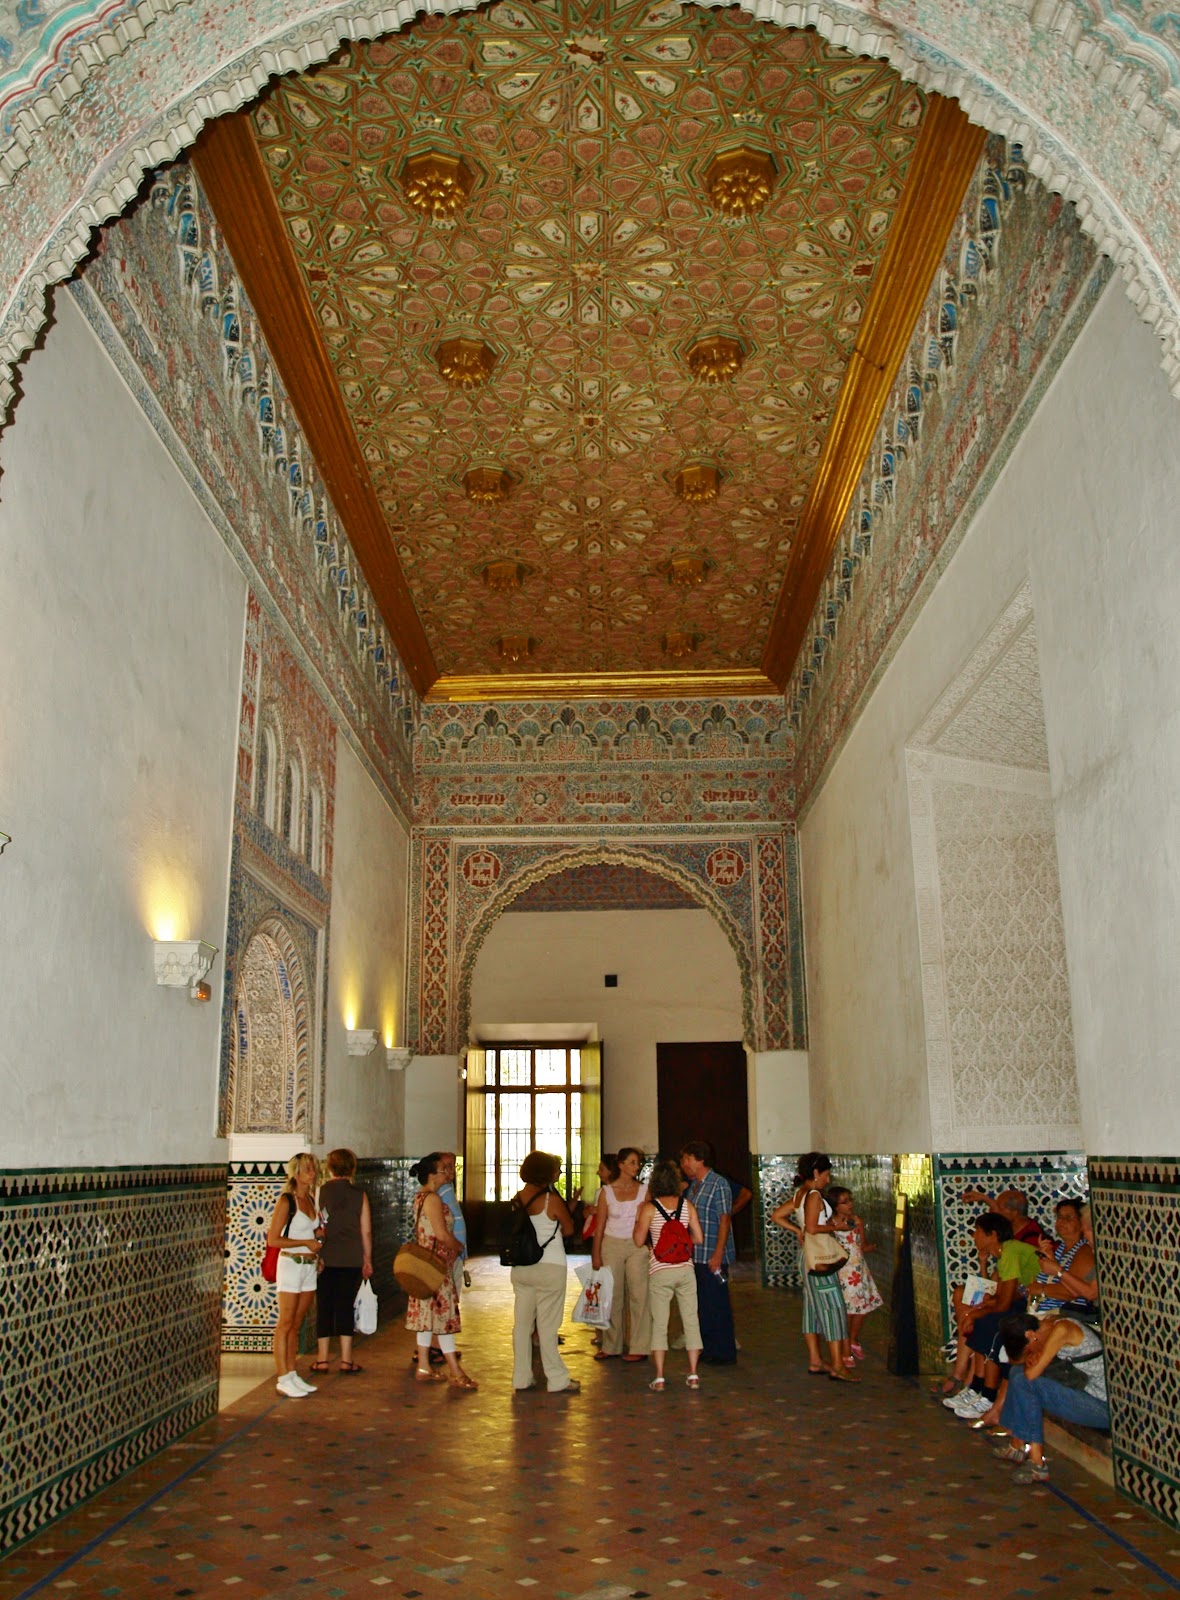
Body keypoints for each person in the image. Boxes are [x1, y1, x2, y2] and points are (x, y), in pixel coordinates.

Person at [943, 1212, 1040, 1418]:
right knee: (981, 1321)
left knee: (990, 1326)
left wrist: (977, 1314)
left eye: (978, 1231)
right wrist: (981, 1309)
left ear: (992, 1235)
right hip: (1023, 1302)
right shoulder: (1004, 1254)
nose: (973, 1236)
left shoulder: (1010, 1252)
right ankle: (976, 1388)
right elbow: (1003, 1294)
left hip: (1038, 1306)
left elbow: (1005, 1304)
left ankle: (987, 1396)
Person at [994, 1312, 1108, 1484]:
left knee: (1026, 1381)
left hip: (1103, 1407)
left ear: (1031, 1335)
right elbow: (1018, 1362)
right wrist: (1032, 1355)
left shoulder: (1062, 1329)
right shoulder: (1047, 1326)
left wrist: (1032, 1359)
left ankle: (1037, 1463)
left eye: (1028, 1350)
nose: (1030, 1352)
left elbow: (1031, 1375)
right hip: (1083, 1392)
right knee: (1016, 1372)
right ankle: (1017, 1444)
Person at [772, 1151, 856, 1381]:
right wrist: (836, 1228)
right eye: (826, 1174)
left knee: (812, 1309)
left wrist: (797, 1230)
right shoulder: (814, 1195)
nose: (828, 1179)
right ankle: (838, 1364)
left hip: (806, 1257)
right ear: (817, 1173)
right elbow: (812, 1227)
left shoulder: (800, 1195)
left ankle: (816, 1361)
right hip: (819, 1258)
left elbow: (777, 1215)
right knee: (834, 1307)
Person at [510, 1149, 579, 1394]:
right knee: (548, 1327)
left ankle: (521, 1378)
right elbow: (569, 1230)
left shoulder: (517, 1198)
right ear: (546, 1173)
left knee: (522, 1326)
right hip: (550, 1266)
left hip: (521, 1268)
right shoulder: (552, 1200)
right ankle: (557, 1379)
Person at [406, 1153, 477, 1390]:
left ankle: (424, 1365)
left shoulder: (420, 1197)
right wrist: (459, 1247)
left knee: (427, 1318)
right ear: (432, 1175)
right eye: (442, 1170)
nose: (447, 1174)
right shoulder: (433, 1199)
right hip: (436, 1265)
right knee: (443, 1320)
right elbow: (442, 1234)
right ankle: (456, 1372)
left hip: (425, 1265)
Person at [632, 1157, 703, 1390]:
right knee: (691, 1320)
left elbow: (638, 1240)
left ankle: (660, 1376)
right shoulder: (686, 1205)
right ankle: (693, 1374)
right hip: (685, 1269)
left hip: (660, 1270)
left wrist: (654, 1244)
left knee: (660, 1323)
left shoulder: (649, 1209)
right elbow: (699, 1238)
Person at [312, 1147, 372, 1375]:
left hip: (325, 1258)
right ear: (352, 1168)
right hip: (351, 1258)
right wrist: (367, 1259)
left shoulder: (320, 1192)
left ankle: (322, 1359)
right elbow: (365, 1231)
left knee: (325, 1306)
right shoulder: (359, 1195)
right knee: (345, 1306)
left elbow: (318, 1226)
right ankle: (346, 1360)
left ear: (330, 1168)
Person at [268, 1150, 323, 1398]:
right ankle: (282, 1377)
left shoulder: (310, 1200)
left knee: (297, 1324)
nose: (312, 1173)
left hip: (308, 1267)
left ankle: (292, 1373)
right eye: (307, 1169)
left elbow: (311, 1233)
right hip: (290, 1265)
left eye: (314, 1168)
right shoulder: (286, 1201)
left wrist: (316, 1246)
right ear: (296, 1173)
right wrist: (306, 1244)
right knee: (285, 1323)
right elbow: (273, 1239)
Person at [591, 1145, 651, 1361]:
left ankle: (639, 1347)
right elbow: (599, 1226)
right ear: (621, 1164)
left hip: (637, 1245)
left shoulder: (645, 1190)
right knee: (612, 1295)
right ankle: (611, 1345)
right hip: (612, 1244)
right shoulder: (606, 1192)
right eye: (633, 1162)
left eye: (638, 1162)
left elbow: (650, 1220)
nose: (637, 1166)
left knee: (639, 1294)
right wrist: (595, 1254)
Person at [679, 1141, 737, 1365]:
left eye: (687, 1159)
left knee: (717, 1303)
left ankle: (723, 1351)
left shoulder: (718, 1183)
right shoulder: (694, 1185)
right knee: (703, 1303)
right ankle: (708, 1347)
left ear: (700, 1159)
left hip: (712, 1254)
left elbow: (724, 1219)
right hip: (696, 1254)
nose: (684, 1164)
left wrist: (718, 1253)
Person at [828, 1186, 883, 1364]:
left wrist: (873, 1247)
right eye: (844, 1202)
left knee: (863, 1308)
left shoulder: (857, 1221)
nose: (850, 1204)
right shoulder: (830, 1225)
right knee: (847, 1312)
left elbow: (862, 1246)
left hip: (859, 1270)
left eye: (850, 1200)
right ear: (836, 1206)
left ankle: (852, 1339)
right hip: (843, 1272)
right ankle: (845, 1352)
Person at [1032, 1198, 1098, 1317]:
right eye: (1059, 1217)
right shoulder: (1060, 1248)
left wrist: (1041, 1289)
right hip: (1045, 1311)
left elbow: (1072, 1292)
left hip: (1065, 1314)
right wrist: (1051, 1260)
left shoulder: (1084, 1250)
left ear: (1081, 1223)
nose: (1062, 1222)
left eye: (1069, 1218)